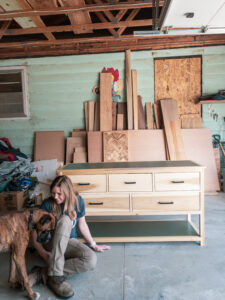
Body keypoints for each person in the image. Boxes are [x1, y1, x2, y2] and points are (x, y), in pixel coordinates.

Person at [29, 175, 110, 299]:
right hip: (52, 241)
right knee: (66, 220)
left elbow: (82, 224)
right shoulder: (47, 204)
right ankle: (56, 278)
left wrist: (93, 244)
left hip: (70, 242)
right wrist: (42, 253)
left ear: (67, 192)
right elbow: (34, 231)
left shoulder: (78, 201)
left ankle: (42, 273)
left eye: (59, 194)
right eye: (53, 193)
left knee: (90, 259)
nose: (55, 197)